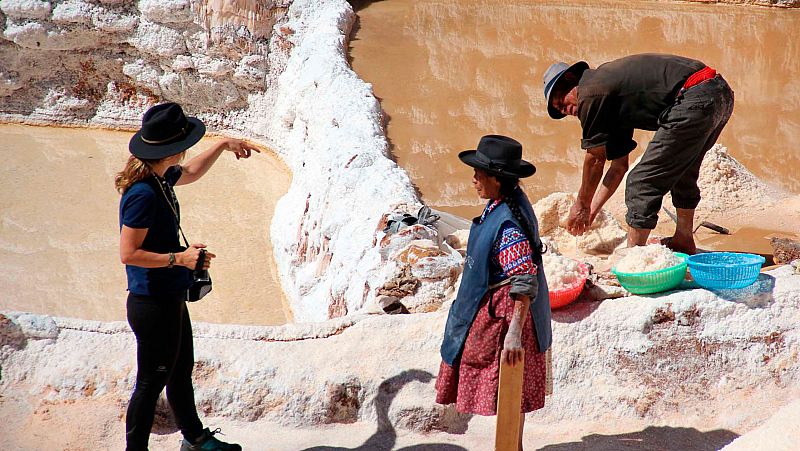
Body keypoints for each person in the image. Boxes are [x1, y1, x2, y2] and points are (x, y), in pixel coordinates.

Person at [116, 102, 259, 451]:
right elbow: (128, 253)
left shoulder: (159, 177)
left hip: (169, 295)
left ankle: (195, 439)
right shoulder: (143, 194)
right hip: (152, 303)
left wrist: (222, 145)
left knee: (180, 371)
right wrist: (179, 258)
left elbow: (191, 172)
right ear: (172, 151)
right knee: (151, 383)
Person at [543, 53, 735, 254]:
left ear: (570, 78)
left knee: (641, 181)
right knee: (682, 170)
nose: (565, 110)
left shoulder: (590, 94)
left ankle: (634, 256)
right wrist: (591, 212)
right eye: (560, 111)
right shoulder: (608, 98)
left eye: (561, 102)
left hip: (696, 95)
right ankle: (683, 240)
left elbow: (595, 160)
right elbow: (618, 168)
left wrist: (582, 204)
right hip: (718, 93)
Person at [436, 135, 552, 451]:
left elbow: (524, 279)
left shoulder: (509, 226)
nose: (474, 179)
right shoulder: (504, 203)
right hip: (504, 314)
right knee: (510, 394)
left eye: (479, 174)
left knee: (509, 390)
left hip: (508, 319)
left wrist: (514, 333)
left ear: (497, 179)